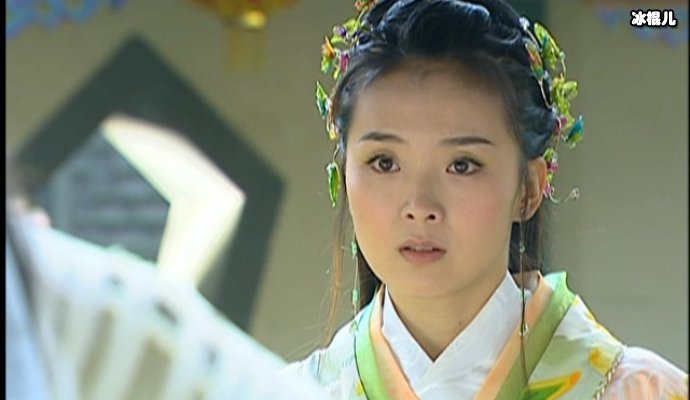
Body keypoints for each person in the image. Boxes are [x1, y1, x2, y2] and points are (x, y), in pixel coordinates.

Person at [284, 0, 689, 398]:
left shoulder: (641, 391)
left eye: (462, 165)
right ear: (344, 173)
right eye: (384, 162)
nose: (420, 207)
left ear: (528, 188)